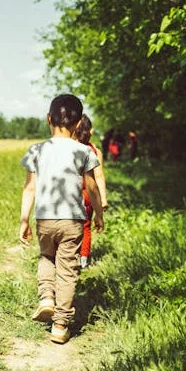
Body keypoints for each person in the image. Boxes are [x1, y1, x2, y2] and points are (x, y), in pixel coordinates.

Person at [19, 94, 104, 344]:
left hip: (45, 218)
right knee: (68, 269)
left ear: (48, 119)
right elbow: (91, 187)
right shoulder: (83, 151)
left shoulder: (37, 150)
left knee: (47, 256)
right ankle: (60, 324)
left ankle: (46, 297)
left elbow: (29, 188)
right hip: (73, 221)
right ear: (79, 124)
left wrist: (24, 219)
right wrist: (98, 214)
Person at [72, 115, 108, 269]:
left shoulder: (69, 147)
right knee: (86, 227)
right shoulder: (94, 150)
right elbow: (99, 176)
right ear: (91, 130)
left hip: (70, 194)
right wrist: (103, 199)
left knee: (70, 225)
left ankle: (68, 257)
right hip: (88, 195)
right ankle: (84, 259)